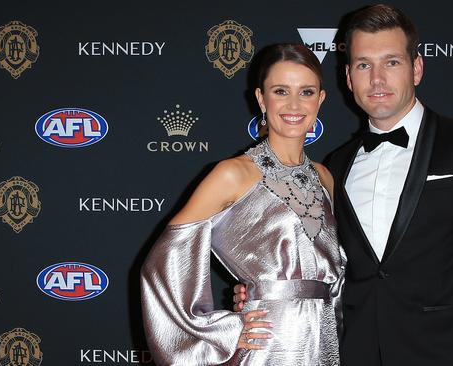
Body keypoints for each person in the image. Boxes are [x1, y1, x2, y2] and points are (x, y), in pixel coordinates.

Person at [235, 5, 453, 366]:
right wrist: (264, 290)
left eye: (391, 62)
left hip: (445, 353)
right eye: (364, 65)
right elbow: (321, 265)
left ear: (416, 68)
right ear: (348, 77)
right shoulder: (333, 167)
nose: (377, 80)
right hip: (354, 352)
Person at [140, 43, 346, 366]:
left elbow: (336, 276)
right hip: (266, 346)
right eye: (281, 91)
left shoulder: (325, 178)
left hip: (325, 345)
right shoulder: (233, 174)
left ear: (320, 99)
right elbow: (160, 267)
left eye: (306, 92)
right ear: (262, 99)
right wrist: (221, 330)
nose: (294, 104)